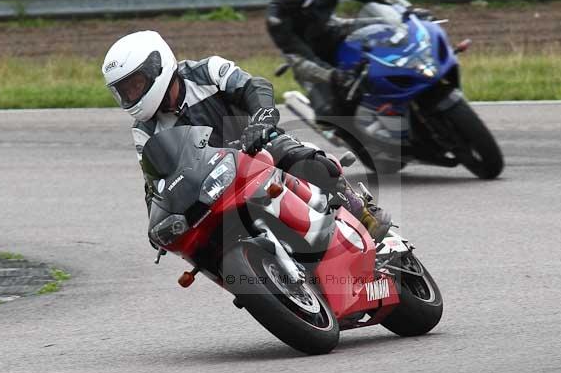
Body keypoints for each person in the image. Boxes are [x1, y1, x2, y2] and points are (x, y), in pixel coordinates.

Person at [101, 30, 391, 241]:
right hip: (211, 187)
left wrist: (261, 122)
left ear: (158, 67)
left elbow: (255, 87)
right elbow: (154, 182)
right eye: (125, 90)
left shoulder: (207, 72)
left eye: (136, 84)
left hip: (256, 150)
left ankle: (358, 208)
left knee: (299, 158)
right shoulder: (143, 130)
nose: (131, 94)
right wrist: (157, 219)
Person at [266, 0, 430, 121]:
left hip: (335, 33)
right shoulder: (276, 18)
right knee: (330, 114)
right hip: (310, 59)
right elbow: (299, 59)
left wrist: (408, 10)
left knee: (386, 39)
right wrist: (332, 75)